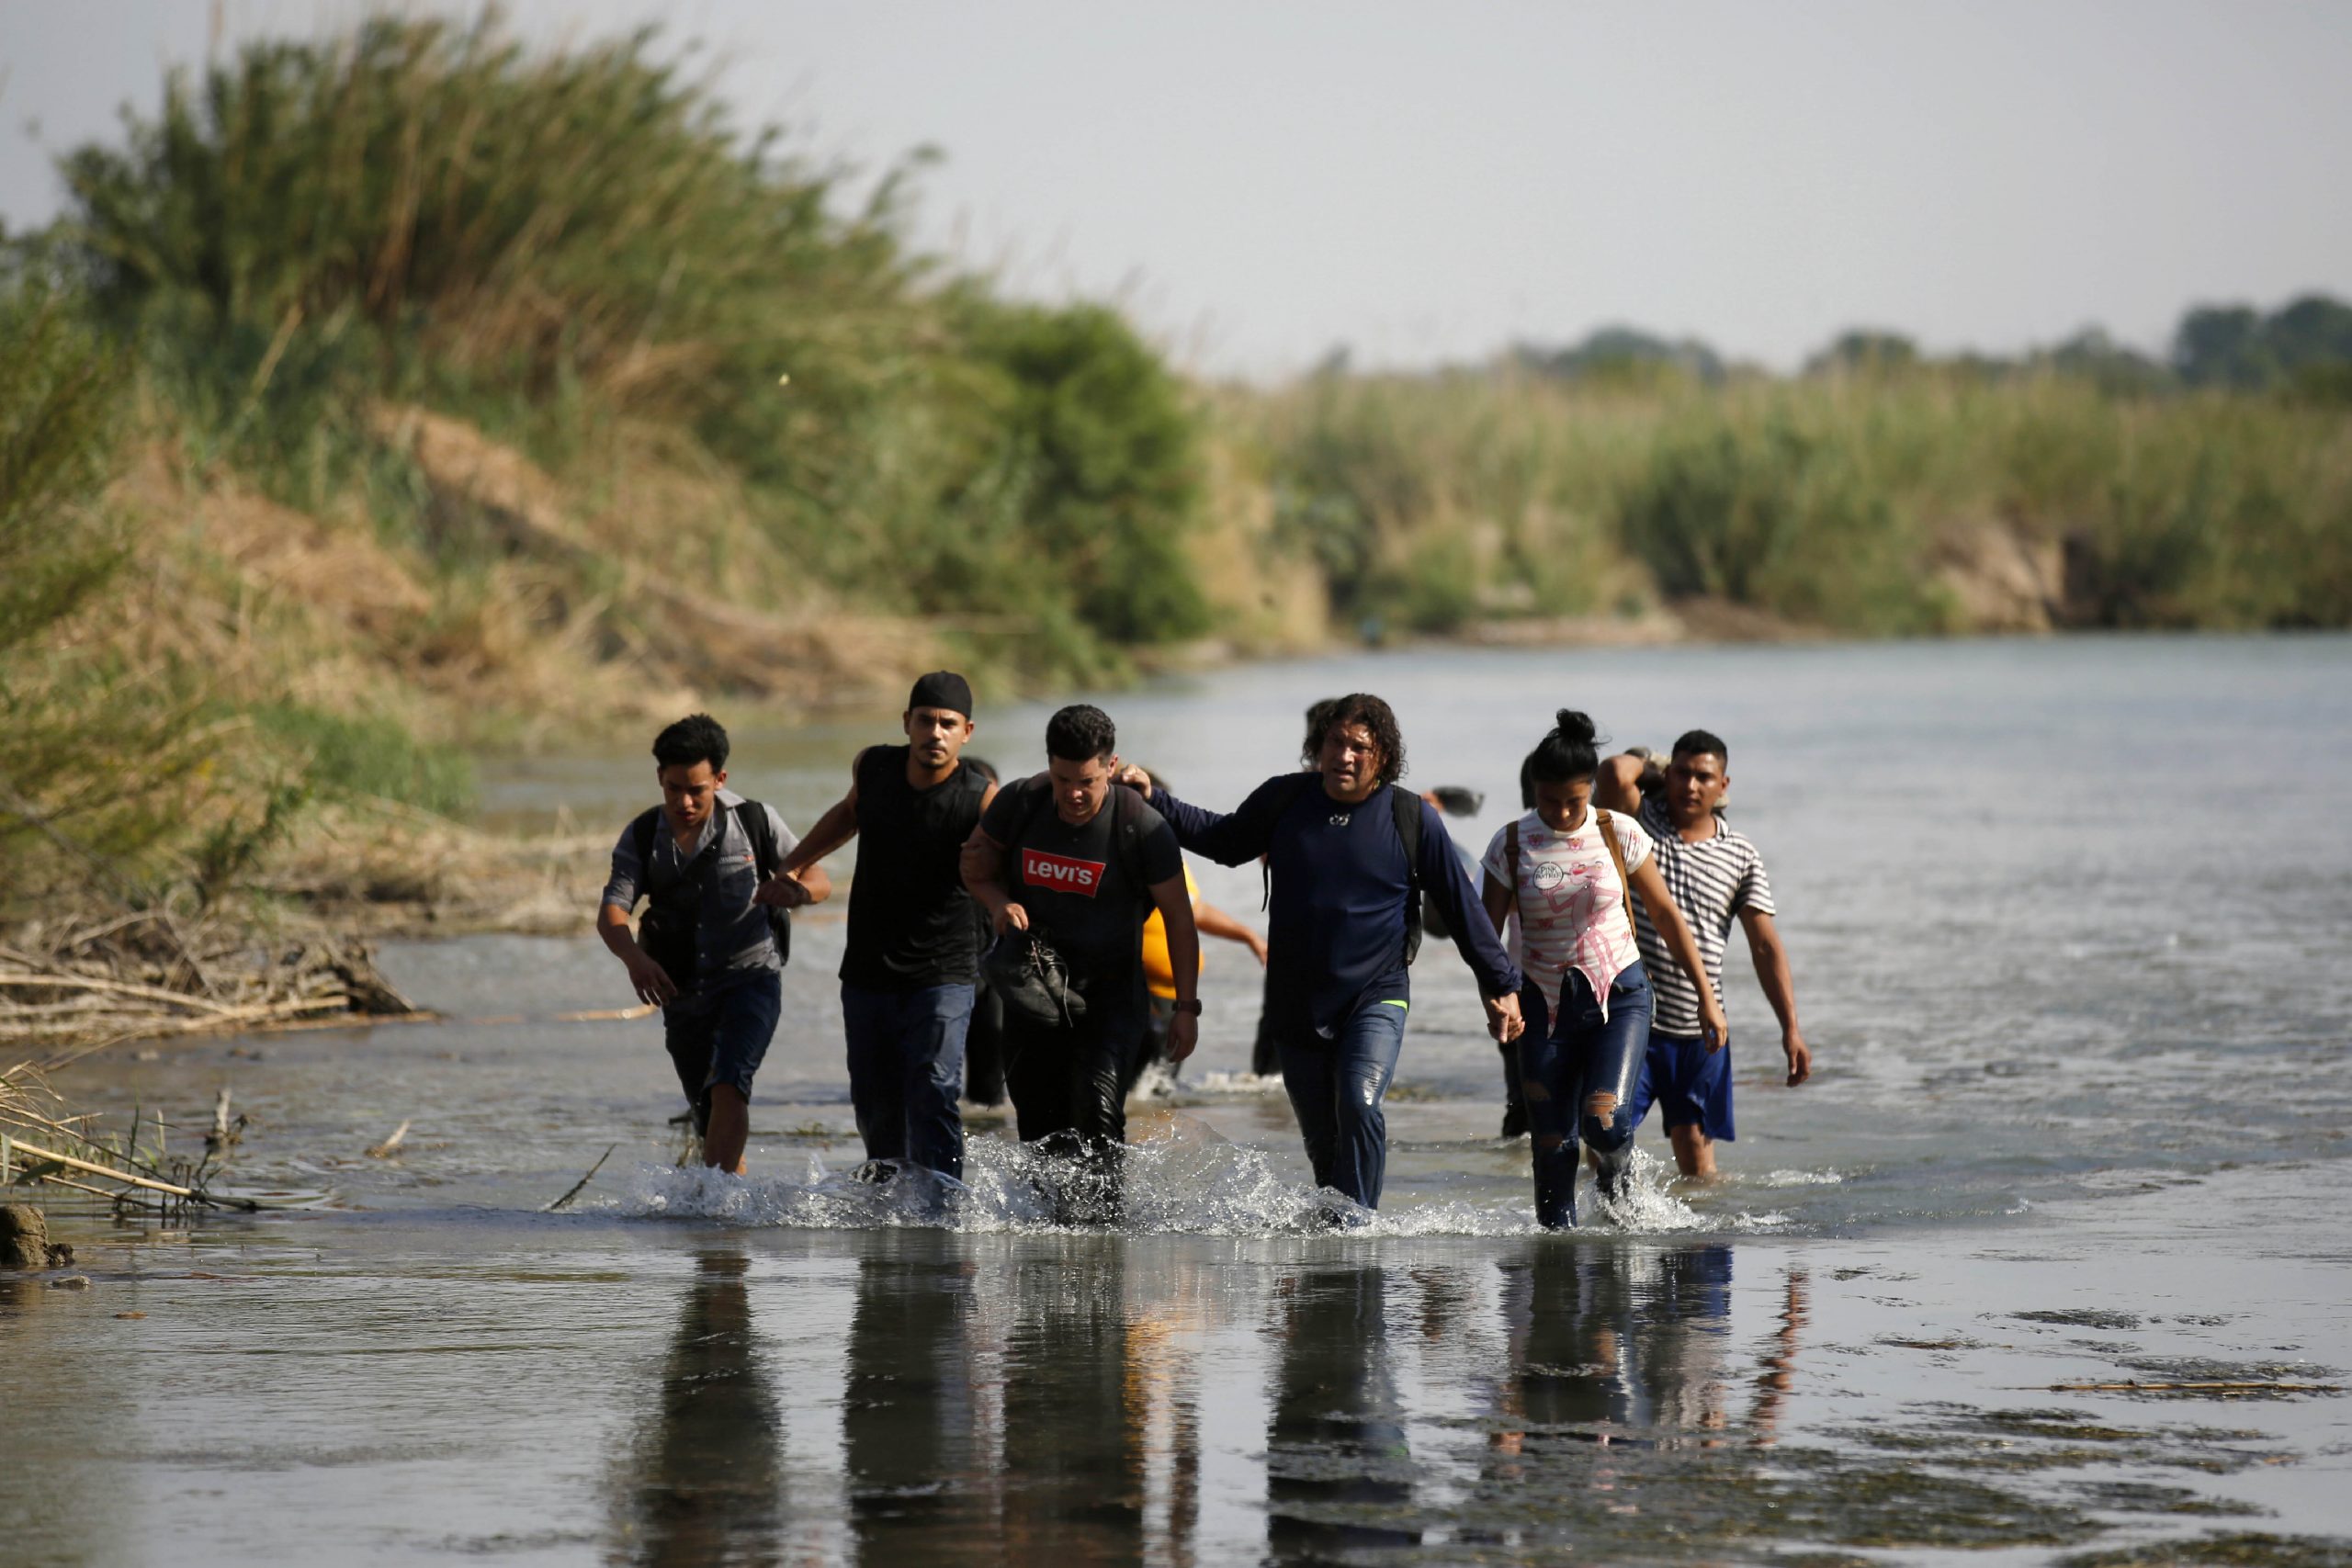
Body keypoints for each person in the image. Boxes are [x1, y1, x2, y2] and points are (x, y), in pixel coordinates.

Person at [1121, 693, 1523, 1213]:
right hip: (1296, 1002)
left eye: (1360, 746)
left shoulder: (1411, 818)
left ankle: (1362, 1228)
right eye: (1336, 742)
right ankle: (1340, 1252)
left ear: (1383, 757)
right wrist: (1154, 797)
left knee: (1359, 1102)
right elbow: (1221, 840)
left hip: (1376, 995)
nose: (1345, 756)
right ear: (1319, 746)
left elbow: (1464, 909)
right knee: (1323, 1147)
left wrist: (1501, 986)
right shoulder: (1285, 801)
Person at [1479, 709, 1725, 1227]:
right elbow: (1486, 936)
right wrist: (1496, 996)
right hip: (1542, 1007)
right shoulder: (1509, 843)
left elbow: (1665, 914)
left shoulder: (1620, 831)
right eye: (1551, 802)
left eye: (1575, 801)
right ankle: (1557, 1271)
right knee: (1552, 1146)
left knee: (1605, 1123)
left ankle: (1622, 1198)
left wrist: (1707, 996)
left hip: (1621, 996)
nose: (1564, 813)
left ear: (1590, 789)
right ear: (1535, 791)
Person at [960, 705, 1200, 1213]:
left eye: (1086, 781)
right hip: (1033, 991)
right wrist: (1000, 904)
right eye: (1062, 777)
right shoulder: (1020, 803)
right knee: (1039, 1128)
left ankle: (1103, 1235)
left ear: (1110, 767)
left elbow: (1180, 917)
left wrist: (1186, 1007)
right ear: (1049, 764)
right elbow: (974, 868)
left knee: (1097, 1114)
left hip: (1111, 995)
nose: (1072, 793)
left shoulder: (1142, 825)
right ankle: (1051, 1237)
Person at [772, 673, 994, 1181]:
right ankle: (888, 1208)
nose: (935, 733)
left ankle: (945, 1206)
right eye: (925, 721)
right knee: (874, 1100)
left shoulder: (981, 800)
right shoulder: (873, 767)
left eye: (948, 724)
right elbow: (849, 814)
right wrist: (793, 865)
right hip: (869, 968)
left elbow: (1010, 865)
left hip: (944, 971)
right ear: (907, 723)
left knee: (933, 1086)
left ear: (967, 732)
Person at [597, 713, 828, 1175]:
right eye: (673, 788)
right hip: (681, 993)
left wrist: (797, 892)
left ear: (720, 779)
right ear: (659, 779)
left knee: (730, 1083)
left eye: (697, 790)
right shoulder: (643, 836)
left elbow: (819, 879)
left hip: (752, 979)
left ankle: (718, 1210)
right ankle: (726, 1228)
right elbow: (612, 913)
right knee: (708, 1116)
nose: (684, 801)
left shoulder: (756, 821)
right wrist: (635, 960)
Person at [1594, 728, 1811, 1179]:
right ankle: (1605, 1242)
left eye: (1703, 777)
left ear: (1723, 786)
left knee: (1698, 1163)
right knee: (1603, 1146)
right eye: (1681, 774)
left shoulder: (1741, 853)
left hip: (1701, 1030)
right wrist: (1648, 762)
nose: (1691, 786)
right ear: (1666, 775)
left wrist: (1790, 1028)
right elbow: (1615, 772)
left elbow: (1765, 946)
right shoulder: (1638, 825)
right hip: (1631, 1023)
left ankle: (1701, 1244)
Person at [1125, 770, 1268, 1100]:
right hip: (1137, 998)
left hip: (1172, 1000)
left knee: (1156, 1097)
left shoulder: (1171, 862)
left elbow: (1196, 911)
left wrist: (1248, 936)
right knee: (1132, 1094)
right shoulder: (1119, 856)